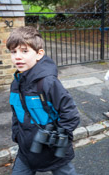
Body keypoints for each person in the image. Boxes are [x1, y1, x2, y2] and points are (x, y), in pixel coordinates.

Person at [6, 26, 80, 175]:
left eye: (24, 51)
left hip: (53, 151)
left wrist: (56, 137)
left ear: (39, 54)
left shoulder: (48, 82)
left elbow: (71, 114)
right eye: (14, 52)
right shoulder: (16, 83)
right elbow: (16, 112)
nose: (17, 57)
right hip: (26, 149)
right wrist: (17, 135)